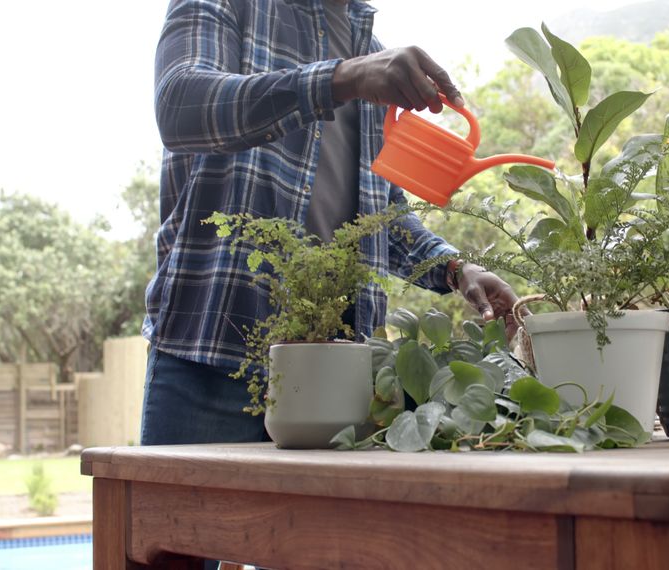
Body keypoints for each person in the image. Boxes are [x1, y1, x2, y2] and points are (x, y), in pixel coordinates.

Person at [141, 0, 521, 449]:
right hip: (213, 359)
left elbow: (383, 208)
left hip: (341, 379)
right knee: (184, 520)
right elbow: (180, 103)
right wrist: (343, 78)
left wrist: (455, 269)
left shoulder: (371, 50)